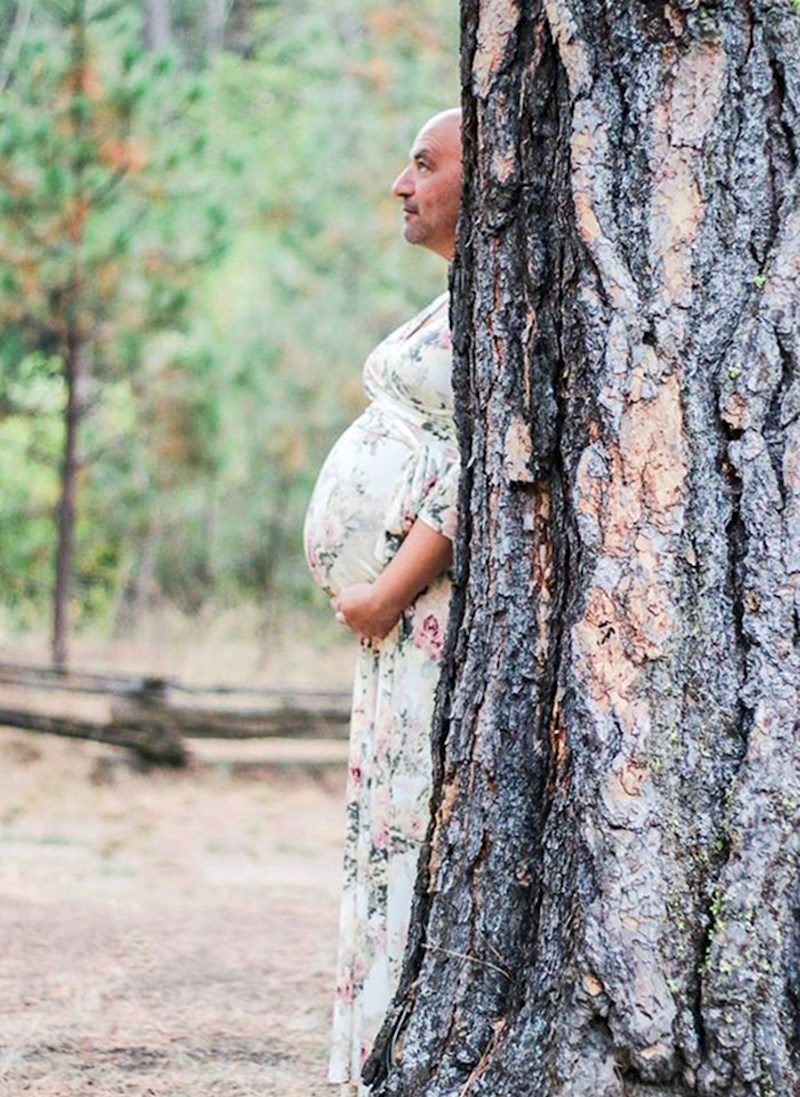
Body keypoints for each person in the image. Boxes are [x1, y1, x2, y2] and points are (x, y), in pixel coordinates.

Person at [303, 107, 462, 1093]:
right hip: (398, 626)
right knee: (383, 833)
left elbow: (483, 464)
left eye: (421, 163)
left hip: (423, 620)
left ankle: (393, 1055)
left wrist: (386, 590)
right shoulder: (461, 296)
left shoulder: (508, 303)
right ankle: (372, 1056)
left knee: (410, 834)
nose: (400, 184)